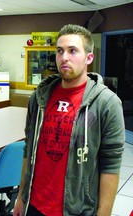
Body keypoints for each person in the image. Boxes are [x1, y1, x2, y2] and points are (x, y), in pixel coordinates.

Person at [13, 24, 125, 216]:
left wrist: (104, 213)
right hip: (35, 205)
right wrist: (21, 198)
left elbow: (111, 163)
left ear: (89, 58)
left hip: (77, 209)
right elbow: (28, 149)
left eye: (73, 51)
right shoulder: (40, 97)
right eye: (60, 51)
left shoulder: (107, 103)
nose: (64, 57)